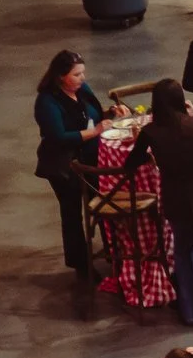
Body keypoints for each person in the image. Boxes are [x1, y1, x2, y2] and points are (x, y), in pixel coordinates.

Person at [120, 80, 193, 327]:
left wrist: (152, 154)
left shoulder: (151, 132)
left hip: (175, 197)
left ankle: (189, 313)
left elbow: (132, 162)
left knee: (182, 254)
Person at [34, 49, 125, 277]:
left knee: (102, 204)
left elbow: (93, 114)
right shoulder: (47, 102)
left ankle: (113, 252)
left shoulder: (81, 90)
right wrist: (94, 132)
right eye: (76, 74)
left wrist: (111, 113)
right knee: (72, 212)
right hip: (64, 166)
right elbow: (58, 136)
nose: (82, 78)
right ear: (60, 76)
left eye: (82, 73)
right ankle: (80, 264)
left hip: (91, 159)